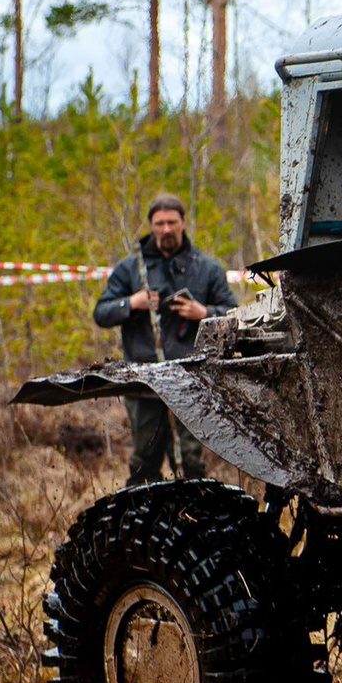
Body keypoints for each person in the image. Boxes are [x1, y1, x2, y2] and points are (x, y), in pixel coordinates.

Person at [94, 194, 239, 485]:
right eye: (159, 223)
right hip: (143, 379)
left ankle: (191, 520)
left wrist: (204, 312)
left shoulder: (207, 269)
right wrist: (131, 303)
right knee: (144, 460)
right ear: (151, 226)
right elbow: (101, 313)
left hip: (190, 379)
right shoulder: (129, 269)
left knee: (189, 461)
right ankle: (143, 524)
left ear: (183, 223)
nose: (166, 229)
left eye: (172, 222)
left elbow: (235, 315)